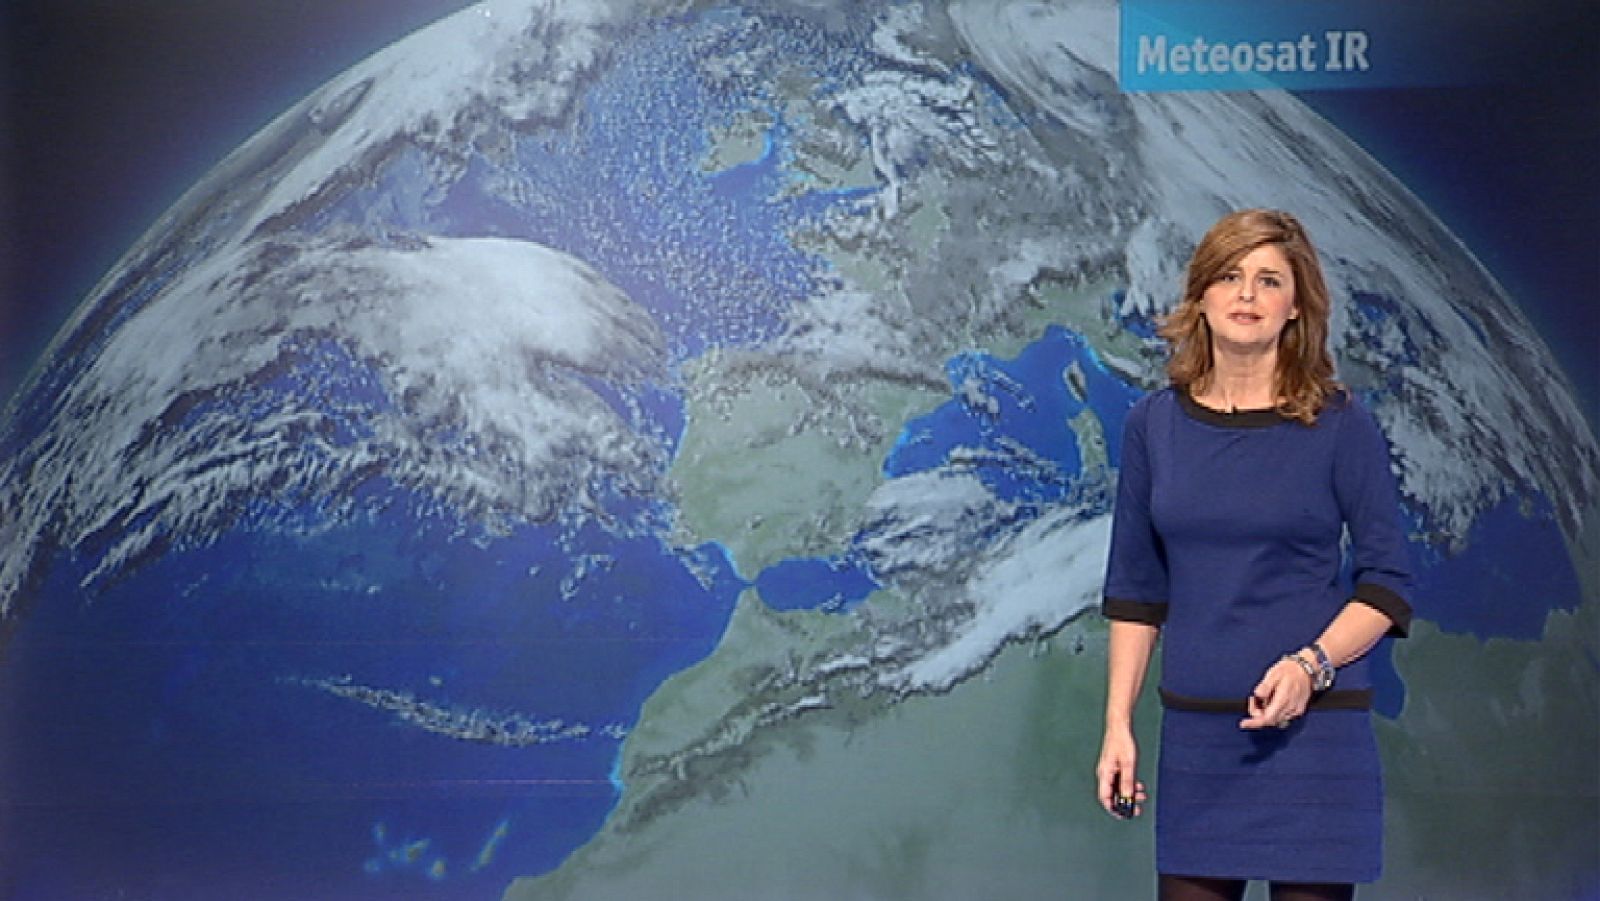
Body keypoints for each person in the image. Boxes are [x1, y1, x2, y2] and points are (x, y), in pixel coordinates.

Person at [1094, 209, 1413, 901]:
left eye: (1269, 280)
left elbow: (1386, 582)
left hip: (1316, 740)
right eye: (1230, 275)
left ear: (1295, 305)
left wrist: (1312, 664)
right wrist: (1117, 725)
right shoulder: (1154, 424)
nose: (1246, 293)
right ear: (1201, 296)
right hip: (1199, 740)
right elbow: (1136, 591)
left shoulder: (1339, 425)